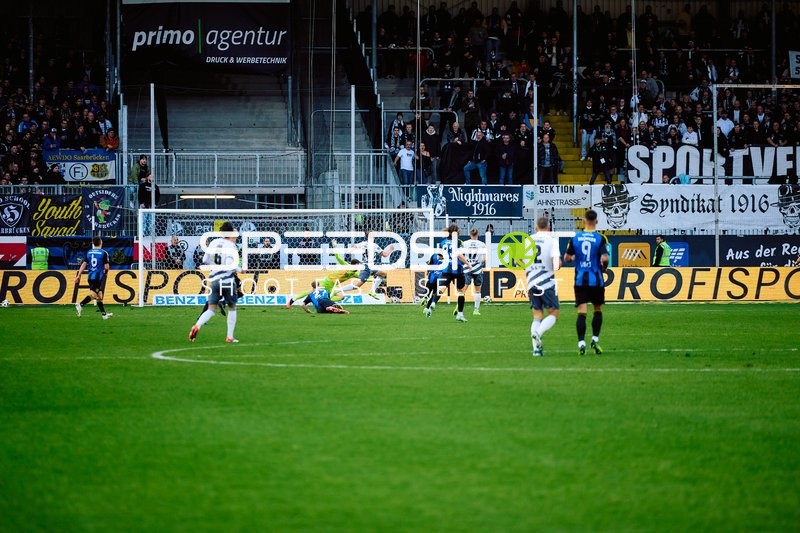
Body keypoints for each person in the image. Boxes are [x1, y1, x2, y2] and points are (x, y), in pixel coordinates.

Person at [189, 221, 244, 343]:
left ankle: (197, 325)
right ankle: (229, 336)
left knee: (211, 309)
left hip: (214, 279)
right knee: (232, 308)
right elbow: (231, 265)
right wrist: (241, 270)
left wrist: (215, 265)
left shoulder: (213, 242)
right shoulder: (231, 246)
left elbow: (204, 260)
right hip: (227, 280)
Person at [563, 210, 609, 355]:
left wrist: (576, 258)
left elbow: (567, 258)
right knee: (597, 310)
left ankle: (581, 343)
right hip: (596, 280)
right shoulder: (600, 238)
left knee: (581, 312)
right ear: (596, 221)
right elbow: (605, 258)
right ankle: (595, 339)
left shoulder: (576, 238)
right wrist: (604, 268)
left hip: (580, 280)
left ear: (583, 221)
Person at [526, 216, 561, 357]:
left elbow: (519, 262)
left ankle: (536, 350)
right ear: (548, 227)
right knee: (554, 313)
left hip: (531, 281)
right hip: (546, 282)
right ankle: (538, 333)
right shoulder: (552, 240)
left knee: (537, 316)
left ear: (536, 226)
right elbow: (556, 264)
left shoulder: (528, 240)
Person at [422, 223, 472, 322]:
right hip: (457, 269)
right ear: (457, 232)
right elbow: (459, 255)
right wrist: (468, 263)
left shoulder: (443, 242)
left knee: (441, 289)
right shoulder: (458, 242)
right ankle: (460, 314)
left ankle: (433, 303)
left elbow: (439, 256)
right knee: (461, 291)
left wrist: (447, 256)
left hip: (446, 269)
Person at [337, 231, 394, 299]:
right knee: (357, 286)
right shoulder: (374, 245)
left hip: (371, 266)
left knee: (384, 273)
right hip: (366, 267)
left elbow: (354, 247)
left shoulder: (363, 243)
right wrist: (391, 250)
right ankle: (337, 290)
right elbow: (385, 254)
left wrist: (352, 248)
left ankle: (372, 291)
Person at [74, 236, 113, 320]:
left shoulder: (89, 252)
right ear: (100, 243)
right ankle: (80, 304)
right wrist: (105, 274)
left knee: (99, 295)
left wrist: (78, 275)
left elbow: (84, 264)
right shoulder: (103, 253)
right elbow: (106, 267)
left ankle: (104, 315)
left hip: (90, 276)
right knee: (95, 295)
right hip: (98, 277)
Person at [462, 228, 486, 315]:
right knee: (478, 291)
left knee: (462, 291)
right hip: (477, 269)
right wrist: (479, 263)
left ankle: (460, 309)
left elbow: (461, 256)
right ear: (478, 234)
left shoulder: (464, 243)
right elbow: (484, 258)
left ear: (470, 234)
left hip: (467, 268)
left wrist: (467, 263)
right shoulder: (482, 244)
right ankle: (476, 310)